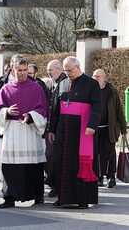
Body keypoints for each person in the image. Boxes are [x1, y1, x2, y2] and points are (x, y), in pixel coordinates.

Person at [0, 58, 48, 208]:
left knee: (33, 166)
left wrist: (31, 116)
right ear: (13, 70)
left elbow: (43, 110)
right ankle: (9, 198)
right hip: (11, 131)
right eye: (19, 70)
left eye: (25, 70)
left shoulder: (36, 88)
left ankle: (38, 196)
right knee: (10, 166)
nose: (23, 73)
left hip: (30, 132)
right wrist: (7, 112)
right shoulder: (5, 89)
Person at [48, 56, 101, 208]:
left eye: (69, 70)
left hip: (82, 132)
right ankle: (62, 197)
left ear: (78, 67)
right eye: (65, 70)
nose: (67, 73)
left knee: (78, 164)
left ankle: (82, 199)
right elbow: (56, 108)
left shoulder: (91, 84)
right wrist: (52, 129)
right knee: (59, 162)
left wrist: (92, 125)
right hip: (62, 130)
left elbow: (97, 105)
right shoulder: (63, 83)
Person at [92, 69, 127, 188]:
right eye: (94, 76)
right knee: (96, 154)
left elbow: (119, 110)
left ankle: (111, 176)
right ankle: (99, 177)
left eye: (98, 76)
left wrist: (123, 127)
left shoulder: (111, 91)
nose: (96, 78)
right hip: (94, 128)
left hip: (109, 128)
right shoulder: (91, 91)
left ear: (104, 78)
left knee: (110, 153)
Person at [45, 60, 68, 197]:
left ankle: (55, 185)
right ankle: (53, 182)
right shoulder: (54, 83)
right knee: (50, 156)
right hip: (53, 126)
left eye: (50, 69)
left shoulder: (64, 84)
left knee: (54, 157)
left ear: (59, 69)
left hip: (60, 127)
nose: (48, 72)